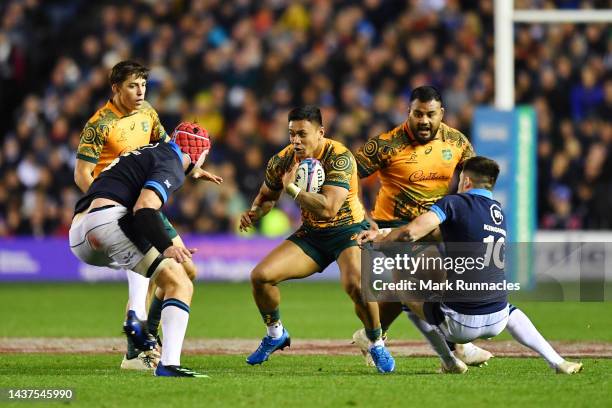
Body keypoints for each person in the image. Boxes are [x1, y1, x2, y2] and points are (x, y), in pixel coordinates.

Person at [359, 156, 583, 374]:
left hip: (461, 323)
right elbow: (436, 235)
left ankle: (448, 360)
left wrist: (378, 240)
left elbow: (410, 233)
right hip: (497, 319)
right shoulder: (497, 212)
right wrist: (387, 232)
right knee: (510, 311)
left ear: (465, 181)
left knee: (403, 288)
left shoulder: (454, 203)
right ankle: (557, 361)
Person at [74, 60, 221, 370]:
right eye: (132, 86)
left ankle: (147, 334)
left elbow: (170, 148)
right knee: (148, 266)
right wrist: (100, 200)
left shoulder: (148, 113)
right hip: (116, 203)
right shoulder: (99, 125)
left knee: (187, 269)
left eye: (143, 85)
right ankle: (139, 350)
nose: (140, 92)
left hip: (144, 196)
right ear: (116, 89)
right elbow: (82, 173)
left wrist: (192, 168)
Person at [239, 105, 395, 373]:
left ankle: (376, 342)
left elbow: (329, 207)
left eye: (302, 134)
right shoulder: (282, 160)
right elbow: (267, 196)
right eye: (291, 134)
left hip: (348, 231)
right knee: (260, 277)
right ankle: (276, 334)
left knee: (356, 285)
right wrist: (255, 213)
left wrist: (293, 189)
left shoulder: (340, 157)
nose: (296, 141)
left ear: (320, 132)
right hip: (312, 235)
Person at [352, 85, 492, 368]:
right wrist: (360, 213)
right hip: (394, 230)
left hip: (434, 226)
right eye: (418, 114)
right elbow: (346, 175)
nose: (424, 121)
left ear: (441, 113)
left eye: (430, 114)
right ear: (409, 113)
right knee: (433, 282)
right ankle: (459, 347)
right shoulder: (385, 145)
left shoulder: (458, 143)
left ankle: (371, 335)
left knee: (404, 293)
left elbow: (474, 182)